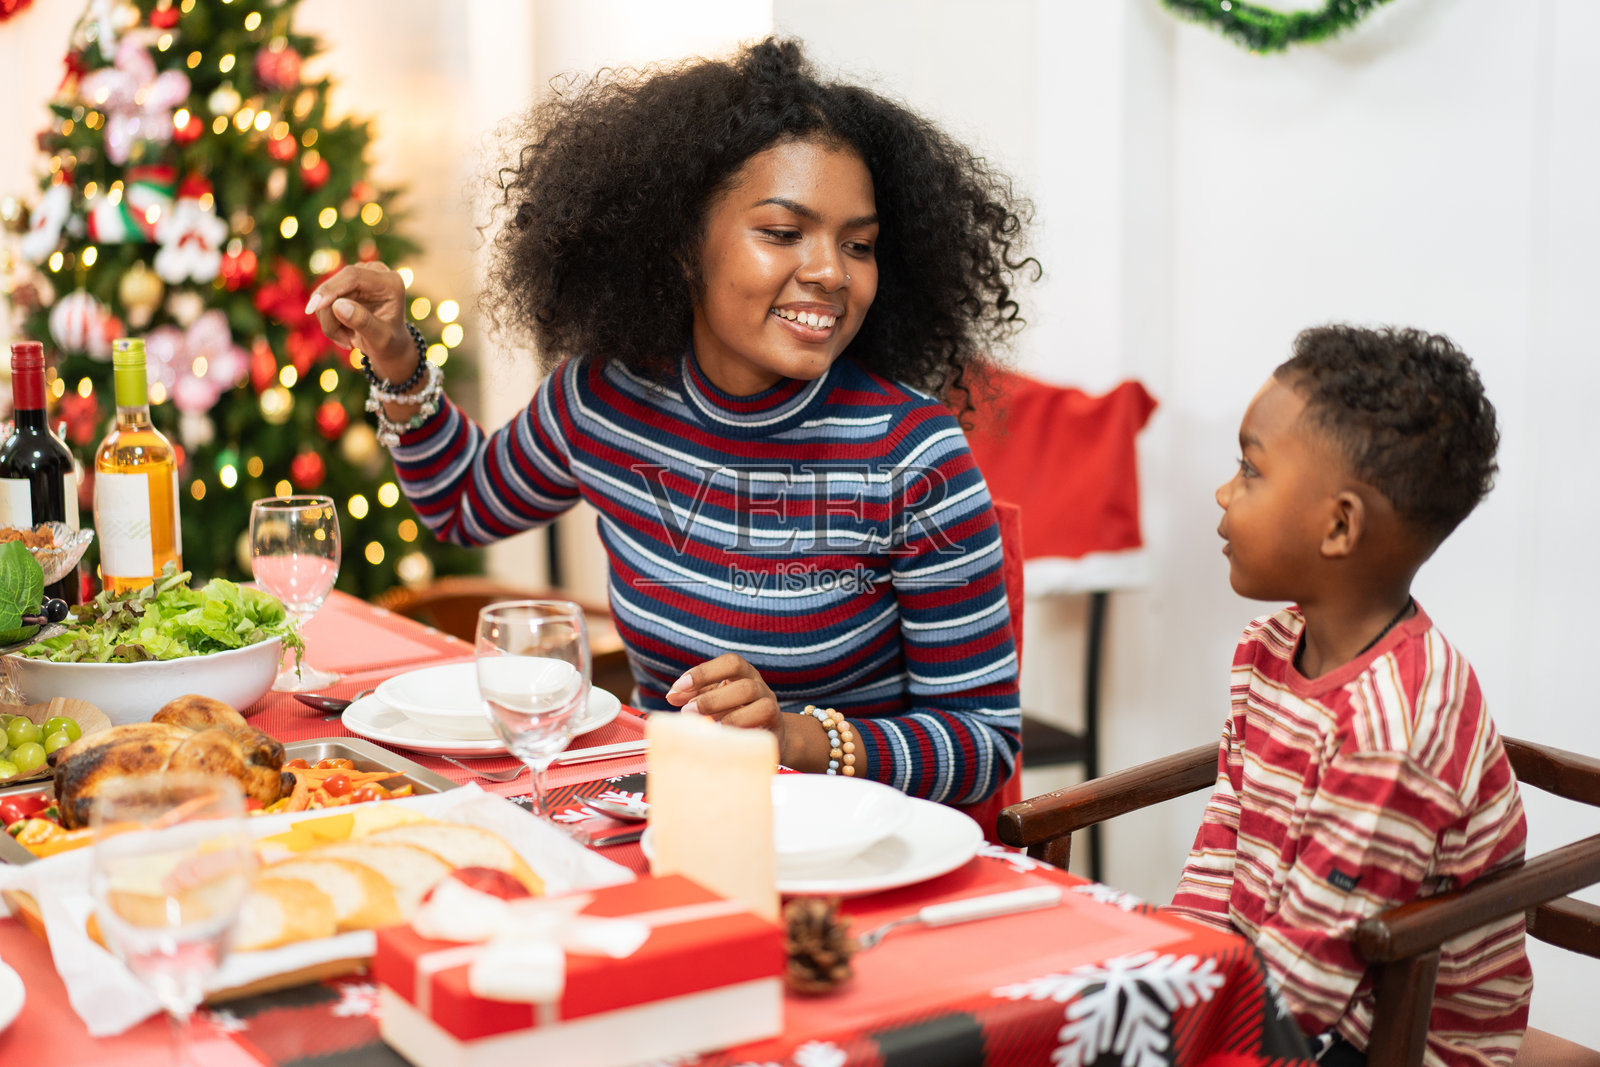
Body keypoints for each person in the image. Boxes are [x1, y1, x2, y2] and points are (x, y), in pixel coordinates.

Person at [305, 39, 1033, 804]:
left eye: (858, 244)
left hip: (859, 854)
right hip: (670, 824)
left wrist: (795, 736)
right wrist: (396, 363)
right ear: (684, 247)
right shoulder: (604, 398)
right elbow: (462, 502)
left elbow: (981, 739)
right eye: (784, 233)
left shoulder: (913, 455)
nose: (830, 270)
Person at [1169, 326, 1531, 1065]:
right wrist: (1175, 971)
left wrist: (1179, 1027)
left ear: (1339, 525)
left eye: (1250, 468)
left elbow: (1308, 983)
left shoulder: (1398, 725)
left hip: (1394, 1036)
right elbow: (1224, 840)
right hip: (1287, 989)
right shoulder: (1266, 649)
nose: (1223, 489)